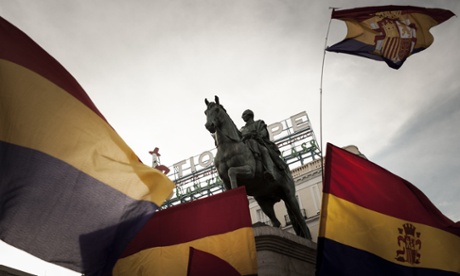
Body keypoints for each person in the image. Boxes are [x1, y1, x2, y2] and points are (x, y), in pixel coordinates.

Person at [240, 109, 287, 180]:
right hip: (247, 146)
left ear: (250, 115)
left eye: (244, 114)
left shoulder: (259, 123)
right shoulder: (242, 129)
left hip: (259, 143)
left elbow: (263, 134)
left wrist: (252, 135)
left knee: (264, 150)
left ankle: (270, 171)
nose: (242, 117)